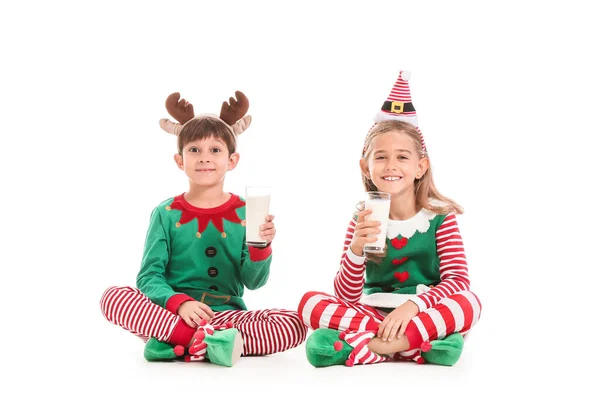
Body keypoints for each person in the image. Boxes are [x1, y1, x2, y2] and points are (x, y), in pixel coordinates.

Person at [101, 91, 307, 366]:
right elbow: (149, 277)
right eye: (194, 150)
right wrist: (180, 304)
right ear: (180, 160)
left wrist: (261, 247)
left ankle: (181, 343)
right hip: (172, 315)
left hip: (228, 318)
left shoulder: (247, 211)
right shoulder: (165, 213)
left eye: (215, 150)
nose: (204, 158)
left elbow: (254, 282)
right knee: (113, 298)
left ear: (231, 160)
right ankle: (204, 342)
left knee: (294, 324)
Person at [298, 71, 481, 367]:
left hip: (421, 312)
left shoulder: (439, 218)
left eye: (402, 157)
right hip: (373, 314)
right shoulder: (363, 216)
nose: (391, 165)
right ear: (365, 165)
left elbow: (458, 281)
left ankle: (370, 347)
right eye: (381, 157)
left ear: (420, 166)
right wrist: (356, 250)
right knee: (309, 303)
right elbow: (346, 296)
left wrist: (413, 305)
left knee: (470, 303)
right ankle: (414, 347)